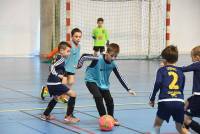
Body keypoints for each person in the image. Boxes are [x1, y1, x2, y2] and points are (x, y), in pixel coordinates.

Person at [77, 43, 136, 126]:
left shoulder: (113, 64)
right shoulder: (97, 58)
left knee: (109, 100)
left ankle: (111, 117)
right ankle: (104, 118)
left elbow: (120, 77)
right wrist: (79, 65)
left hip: (103, 84)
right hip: (91, 80)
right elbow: (84, 56)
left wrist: (128, 89)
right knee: (98, 97)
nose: (113, 58)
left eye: (115, 56)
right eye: (112, 56)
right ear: (107, 53)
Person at [149, 45, 188, 134]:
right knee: (180, 128)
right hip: (179, 101)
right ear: (176, 59)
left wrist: (152, 98)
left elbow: (157, 83)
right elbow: (182, 87)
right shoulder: (181, 72)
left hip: (165, 101)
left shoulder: (161, 70)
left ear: (164, 60)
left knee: (157, 125)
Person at [41, 41, 80, 123]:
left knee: (56, 98)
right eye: (68, 51)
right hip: (55, 83)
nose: (69, 53)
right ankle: (69, 116)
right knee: (73, 94)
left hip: (51, 83)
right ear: (61, 51)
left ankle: (45, 115)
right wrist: (58, 75)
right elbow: (51, 67)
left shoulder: (59, 58)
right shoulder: (61, 58)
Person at [41, 28, 82, 102]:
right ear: (72, 37)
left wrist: (78, 64)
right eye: (76, 36)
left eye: (79, 37)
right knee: (63, 82)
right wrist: (49, 55)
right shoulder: (69, 44)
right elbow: (58, 48)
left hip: (72, 67)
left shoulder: (79, 46)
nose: (78, 38)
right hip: (64, 67)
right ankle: (50, 91)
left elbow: (76, 57)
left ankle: (62, 95)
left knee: (71, 82)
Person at [181, 45, 200, 133]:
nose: (191, 58)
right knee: (185, 105)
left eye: (192, 56)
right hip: (194, 97)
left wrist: (169, 67)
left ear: (197, 57)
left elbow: (183, 69)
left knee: (184, 118)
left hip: (198, 97)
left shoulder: (197, 65)